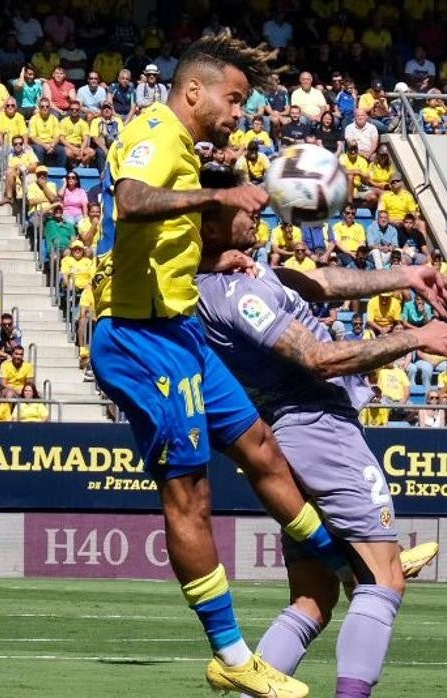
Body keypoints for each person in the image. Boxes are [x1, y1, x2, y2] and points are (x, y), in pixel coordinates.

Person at [91, 35, 349, 697]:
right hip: (139, 337)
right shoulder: (155, 131)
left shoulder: (185, 147)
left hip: (177, 329)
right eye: (234, 99)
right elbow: (131, 200)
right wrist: (217, 200)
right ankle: (234, 658)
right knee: (190, 498)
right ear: (194, 91)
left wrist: (217, 251)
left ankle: (341, 555)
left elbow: (154, 236)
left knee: (261, 445)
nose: (239, 113)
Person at [195, 197, 447, 696]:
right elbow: (319, 359)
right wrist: (414, 337)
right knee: (384, 579)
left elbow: (320, 282)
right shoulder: (233, 292)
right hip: (317, 427)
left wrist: (405, 275)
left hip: (295, 434)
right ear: (210, 226)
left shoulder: (250, 272)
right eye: (241, 205)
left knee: (314, 598)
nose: (256, 208)